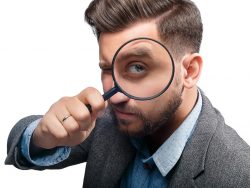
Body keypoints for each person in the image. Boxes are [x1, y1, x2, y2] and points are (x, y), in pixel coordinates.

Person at [5, 0, 250, 187]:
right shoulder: (107, 121)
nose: (114, 96)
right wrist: (42, 135)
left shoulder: (238, 174)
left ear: (189, 71)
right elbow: (19, 143)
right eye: (107, 68)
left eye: (137, 67)